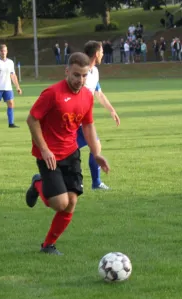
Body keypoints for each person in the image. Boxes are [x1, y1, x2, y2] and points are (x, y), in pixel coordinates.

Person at [23, 52, 110, 255]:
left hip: (71, 153)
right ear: (67, 71)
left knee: (71, 203)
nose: (80, 80)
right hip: (49, 155)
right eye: (76, 75)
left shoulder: (87, 96)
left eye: (84, 75)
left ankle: (48, 246)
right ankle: (38, 183)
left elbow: (88, 125)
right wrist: (44, 149)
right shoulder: (52, 93)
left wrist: (96, 153)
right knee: (59, 204)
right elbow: (32, 119)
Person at [76, 40, 120, 190]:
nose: (102, 54)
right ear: (96, 53)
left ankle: (94, 182)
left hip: (84, 118)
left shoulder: (95, 72)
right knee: (90, 148)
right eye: (101, 51)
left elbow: (99, 93)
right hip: (75, 118)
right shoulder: (83, 71)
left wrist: (112, 110)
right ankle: (88, 182)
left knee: (90, 147)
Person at [0, 44, 22, 129]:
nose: (4, 52)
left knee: (11, 104)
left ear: (7, 51)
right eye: (2, 51)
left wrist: (17, 87)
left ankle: (11, 123)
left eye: (5, 51)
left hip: (8, 87)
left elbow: (13, 75)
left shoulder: (10, 62)